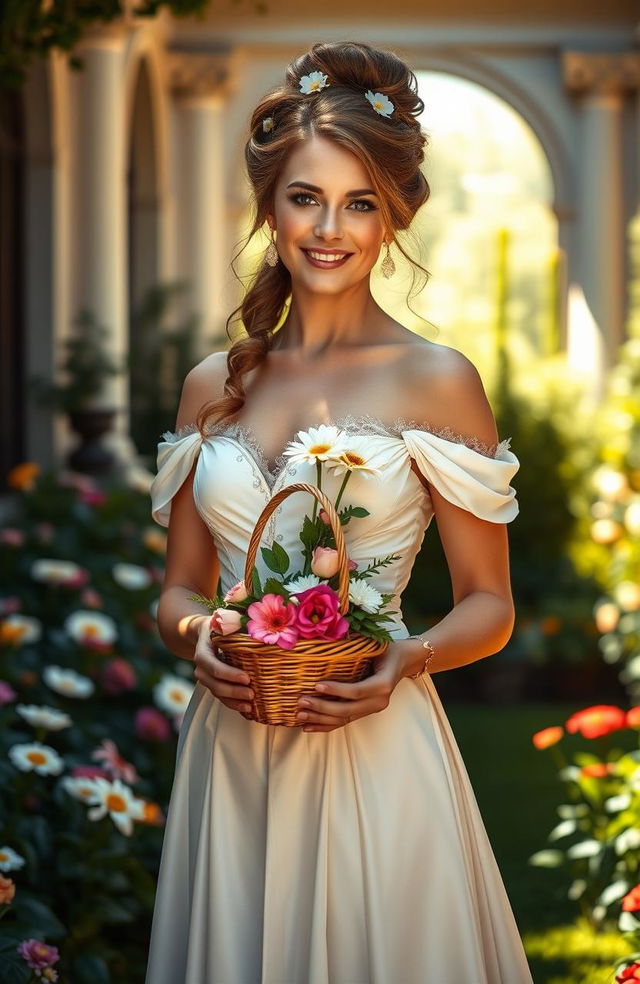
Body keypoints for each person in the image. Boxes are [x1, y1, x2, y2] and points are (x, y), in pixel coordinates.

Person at [144, 40, 534, 984]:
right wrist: (198, 634)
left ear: (393, 218)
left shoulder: (438, 381)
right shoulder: (212, 384)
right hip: (232, 752)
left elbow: (490, 603)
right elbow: (179, 591)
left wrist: (409, 657)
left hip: (376, 743)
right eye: (306, 198)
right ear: (270, 206)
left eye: (360, 203)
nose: (331, 229)